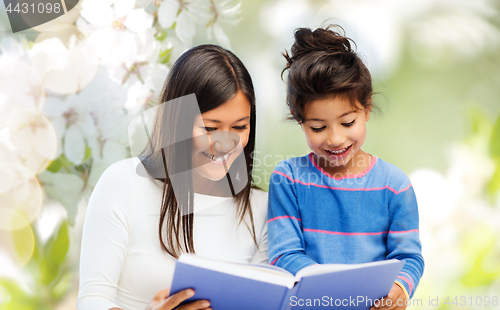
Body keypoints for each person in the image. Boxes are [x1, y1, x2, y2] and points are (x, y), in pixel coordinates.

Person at [77, 45, 268, 310]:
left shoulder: (259, 208)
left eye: (240, 127)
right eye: (210, 128)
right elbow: (91, 301)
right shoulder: (124, 183)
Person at [267, 26, 424, 310]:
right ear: (298, 118)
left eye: (348, 122)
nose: (335, 138)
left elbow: (409, 258)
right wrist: (336, 289)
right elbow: (284, 255)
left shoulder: (394, 185)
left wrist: (399, 288)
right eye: (318, 127)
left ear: (366, 108)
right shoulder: (288, 179)